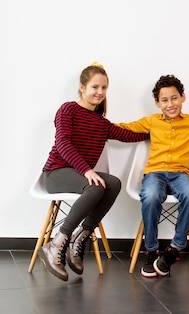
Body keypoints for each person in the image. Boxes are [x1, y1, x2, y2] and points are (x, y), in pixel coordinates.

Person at [38, 63, 149, 282]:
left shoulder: (102, 123)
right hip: (55, 173)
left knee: (114, 183)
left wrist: (160, 128)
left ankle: (81, 236)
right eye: (94, 87)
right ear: (82, 87)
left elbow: (129, 135)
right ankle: (57, 242)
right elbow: (63, 143)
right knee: (95, 184)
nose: (99, 92)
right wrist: (86, 169)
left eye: (104, 87)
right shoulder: (67, 109)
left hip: (80, 176)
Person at [118, 74, 189, 279]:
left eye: (174, 98)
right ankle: (151, 249)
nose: (170, 104)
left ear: (183, 97)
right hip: (155, 173)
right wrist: (97, 124)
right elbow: (125, 128)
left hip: (181, 175)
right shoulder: (152, 121)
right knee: (151, 196)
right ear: (157, 103)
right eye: (164, 100)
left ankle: (174, 249)